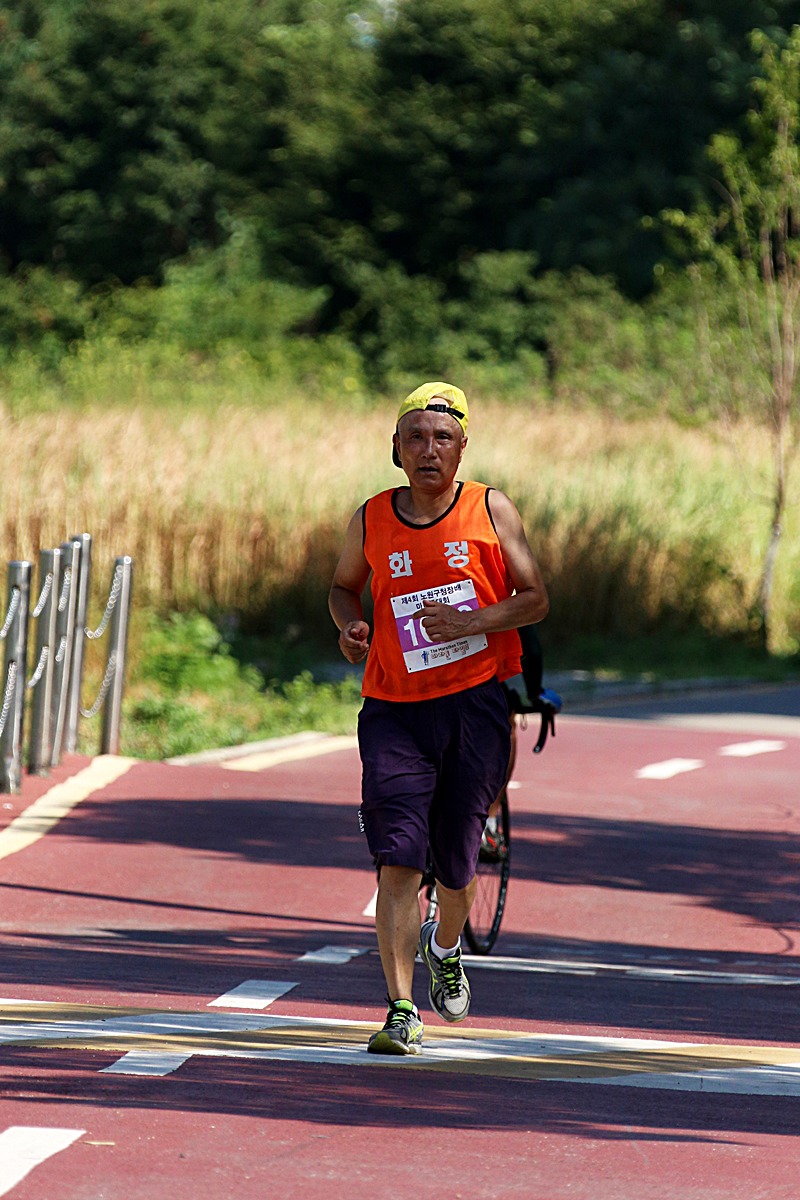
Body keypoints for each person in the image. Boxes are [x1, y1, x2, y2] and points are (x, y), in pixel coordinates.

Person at [328, 381, 549, 1054]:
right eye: (415, 439)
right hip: (393, 708)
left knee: (455, 869)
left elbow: (535, 598)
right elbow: (342, 587)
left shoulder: (490, 509)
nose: (429, 451)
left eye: (442, 439)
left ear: (461, 449)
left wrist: (474, 620)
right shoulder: (372, 517)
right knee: (397, 860)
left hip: (474, 704)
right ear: (396, 451)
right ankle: (400, 1010)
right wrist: (351, 624)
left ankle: (445, 944)